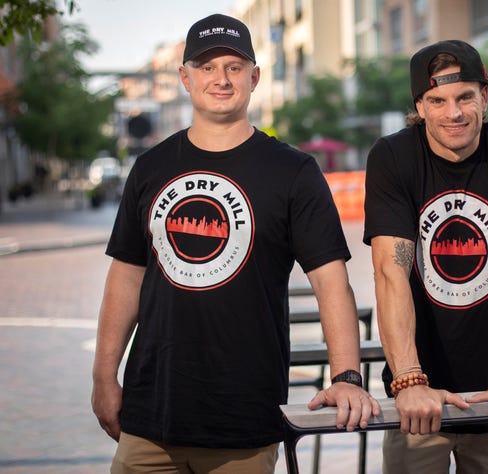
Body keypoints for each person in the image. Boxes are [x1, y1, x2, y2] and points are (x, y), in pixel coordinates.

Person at [92, 13, 379, 474]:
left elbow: (331, 283)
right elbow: (126, 276)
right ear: (185, 78)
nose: (220, 79)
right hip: (150, 416)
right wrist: (104, 375)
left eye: (233, 66)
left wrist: (346, 376)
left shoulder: (294, 172)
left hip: (244, 421)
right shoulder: (150, 168)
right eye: (207, 67)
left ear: (254, 77)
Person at [363, 39, 488, 473]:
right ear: (421, 106)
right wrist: (408, 381)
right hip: (418, 401)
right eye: (438, 100)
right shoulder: (393, 157)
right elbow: (390, 272)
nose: (454, 112)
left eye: (466, 96)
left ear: (485, 97)